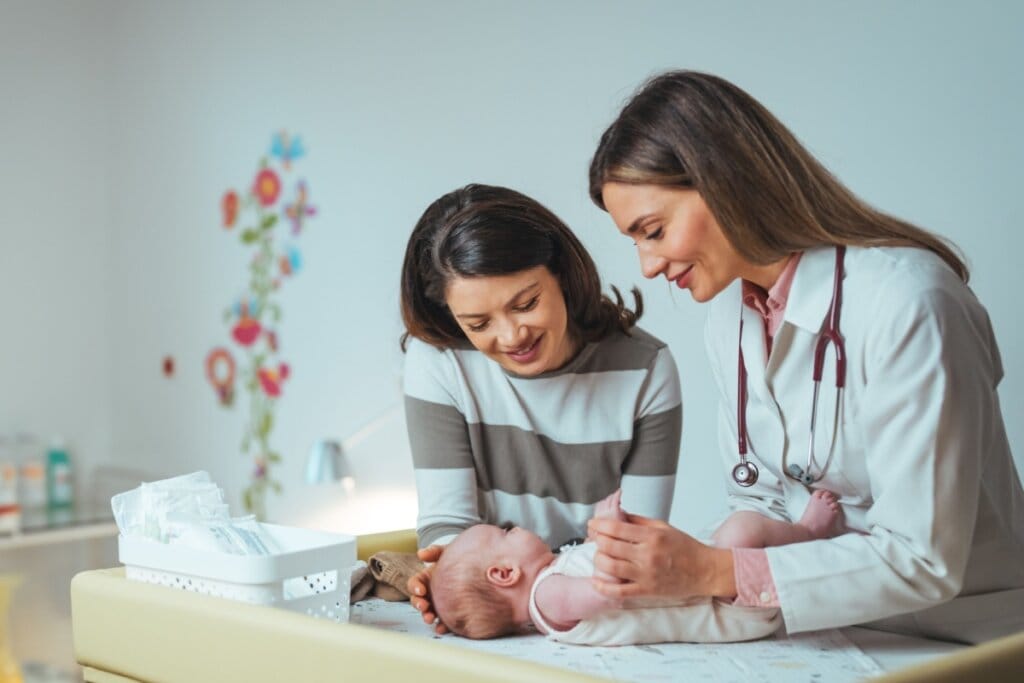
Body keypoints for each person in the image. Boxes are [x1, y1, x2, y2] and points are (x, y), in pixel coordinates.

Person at [584, 70, 1024, 645]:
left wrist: (711, 570)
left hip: (964, 635)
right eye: (635, 241)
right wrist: (676, 559)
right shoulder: (731, 313)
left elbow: (925, 557)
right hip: (824, 626)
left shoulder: (910, 301)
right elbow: (762, 495)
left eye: (654, 230)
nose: (648, 266)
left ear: (724, 182)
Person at [400, 183, 683, 630]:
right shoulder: (439, 363)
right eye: (478, 324)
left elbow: (637, 544)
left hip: (599, 605)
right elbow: (448, 525)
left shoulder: (644, 369)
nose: (512, 337)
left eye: (526, 303)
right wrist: (454, 585)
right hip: (503, 619)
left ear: (562, 275)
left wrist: (555, 592)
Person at [431, 488, 846, 644]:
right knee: (740, 532)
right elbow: (609, 592)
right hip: (727, 605)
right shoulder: (549, 597)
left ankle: (802, 542)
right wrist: (611, 532)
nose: (516, 528)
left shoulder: (556, 577)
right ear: (505, 574)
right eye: (506, 532)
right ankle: (808, 534)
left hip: (716, 589)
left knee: (732, 533)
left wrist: (603, 538)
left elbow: (601, 581)